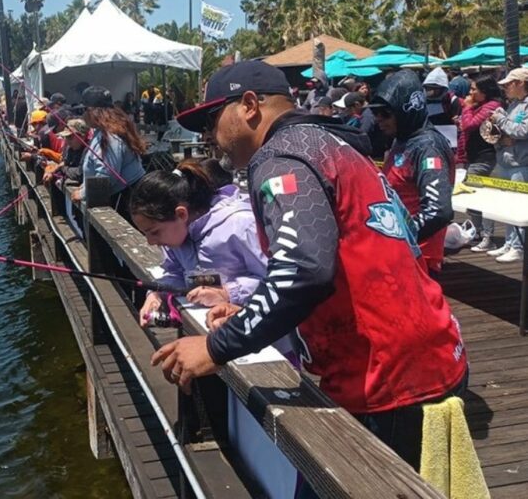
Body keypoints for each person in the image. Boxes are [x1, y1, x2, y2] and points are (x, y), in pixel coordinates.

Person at [151, 60, 467, 475]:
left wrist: (215, 347)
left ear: (249, 105)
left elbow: (302, 269)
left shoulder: (281, 156)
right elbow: (338, 261)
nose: (209, 137)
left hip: (388, 379)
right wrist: (254, 312)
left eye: (212, 120)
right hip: (429, 356)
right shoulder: (329, 142)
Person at [129, 159, 267, 325]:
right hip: (212, 330)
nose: (151, 242)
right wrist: (158, 293)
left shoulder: (240, 223)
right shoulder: (176, 237)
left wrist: (228, 293)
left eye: (154, 232)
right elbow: (175, 272)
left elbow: (277, 278)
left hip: (262, 332)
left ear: (181, 214)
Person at [371, 70, 455, 276]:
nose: (379, 119)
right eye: (375, 113)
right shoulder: (403, 139)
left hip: (418, 258)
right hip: (399, 254)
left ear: (407, 109)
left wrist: (397, 236)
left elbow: (439, 211)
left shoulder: (427, 146)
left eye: (385, 113)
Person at [72, 86, 146, 218]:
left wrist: (83, 194)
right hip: (127, 196)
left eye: (84, 110)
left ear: (93, 111)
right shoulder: (107, 130)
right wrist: (84, 187)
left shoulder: (109, 136)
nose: (82, 115)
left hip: (123, 201)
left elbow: (107, 175)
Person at [484, 68, 528, 263]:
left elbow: (522, 131)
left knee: (519, 206)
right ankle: (510, 243)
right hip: (506, 162)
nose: (505, 88)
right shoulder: (514, 105)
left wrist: (501, 119)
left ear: (520, 83)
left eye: (509, 84)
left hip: (521, 164)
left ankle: (518, 246)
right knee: (508, 207)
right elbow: (510, 132)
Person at [456, 76, 502, 252]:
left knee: (481, 198)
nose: (470, 93)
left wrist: (466, 108)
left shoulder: (492, 107)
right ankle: (477, 231)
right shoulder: (478, 106)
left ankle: (487, 236)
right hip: (471, 156)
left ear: (485, 91)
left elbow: (469, 125)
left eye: (474, 89)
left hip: (485, 156)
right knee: (472, 196)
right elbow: (464, 127)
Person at [44, 118, 89, 185]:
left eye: (70, 137)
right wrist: (52, 172)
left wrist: (62, 168)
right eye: (66, 137)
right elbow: (65, 163)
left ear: (82, 136)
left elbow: (80, 174)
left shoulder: (88, 151)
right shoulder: (70, 149)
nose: (67, 141)